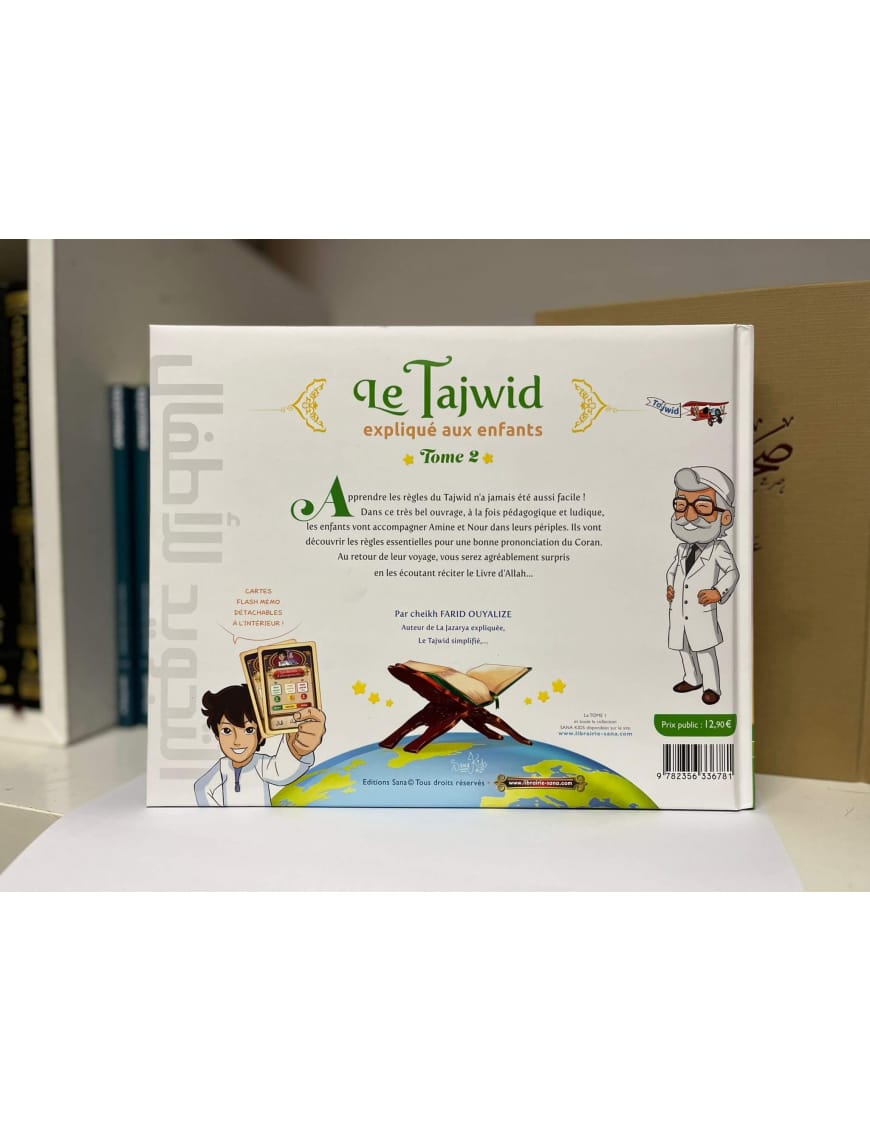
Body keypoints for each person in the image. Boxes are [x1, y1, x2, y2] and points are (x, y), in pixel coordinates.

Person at [666, 466, 739, 706]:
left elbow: (732, 572)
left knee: (704, 649)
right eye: (681, 505)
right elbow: (673, 570)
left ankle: (711, 687)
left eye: (703, 507)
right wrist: (670, 586)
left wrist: (718, 592)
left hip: (701, 610)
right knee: (683, 647)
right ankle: (692, 678)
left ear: (725, 517)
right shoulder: (682, 548)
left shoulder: (719, 549)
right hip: (679, 609)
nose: (688, 516)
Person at [194, 683, 326, 806]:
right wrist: (215, 815)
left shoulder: (261, 765)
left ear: (261, 736)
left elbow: (282, 772)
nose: (237, 741)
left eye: (249, 730)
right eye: (227, 731)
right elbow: (201, 787)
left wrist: (297, 749)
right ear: (217, 735)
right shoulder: (222, 766)